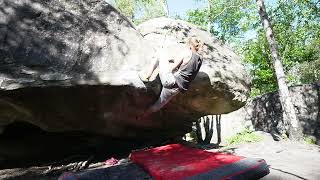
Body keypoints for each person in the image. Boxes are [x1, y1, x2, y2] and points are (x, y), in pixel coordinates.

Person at [137, 37, 203, 120]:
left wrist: (166, 63)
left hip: (170, 81)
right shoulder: (200, 59)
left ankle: (147, 76)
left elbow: (172, 68)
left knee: (161, 52)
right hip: (176, 88)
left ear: (190, 46)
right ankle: (141, 117)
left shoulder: (187, 52)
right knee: (158, 105)